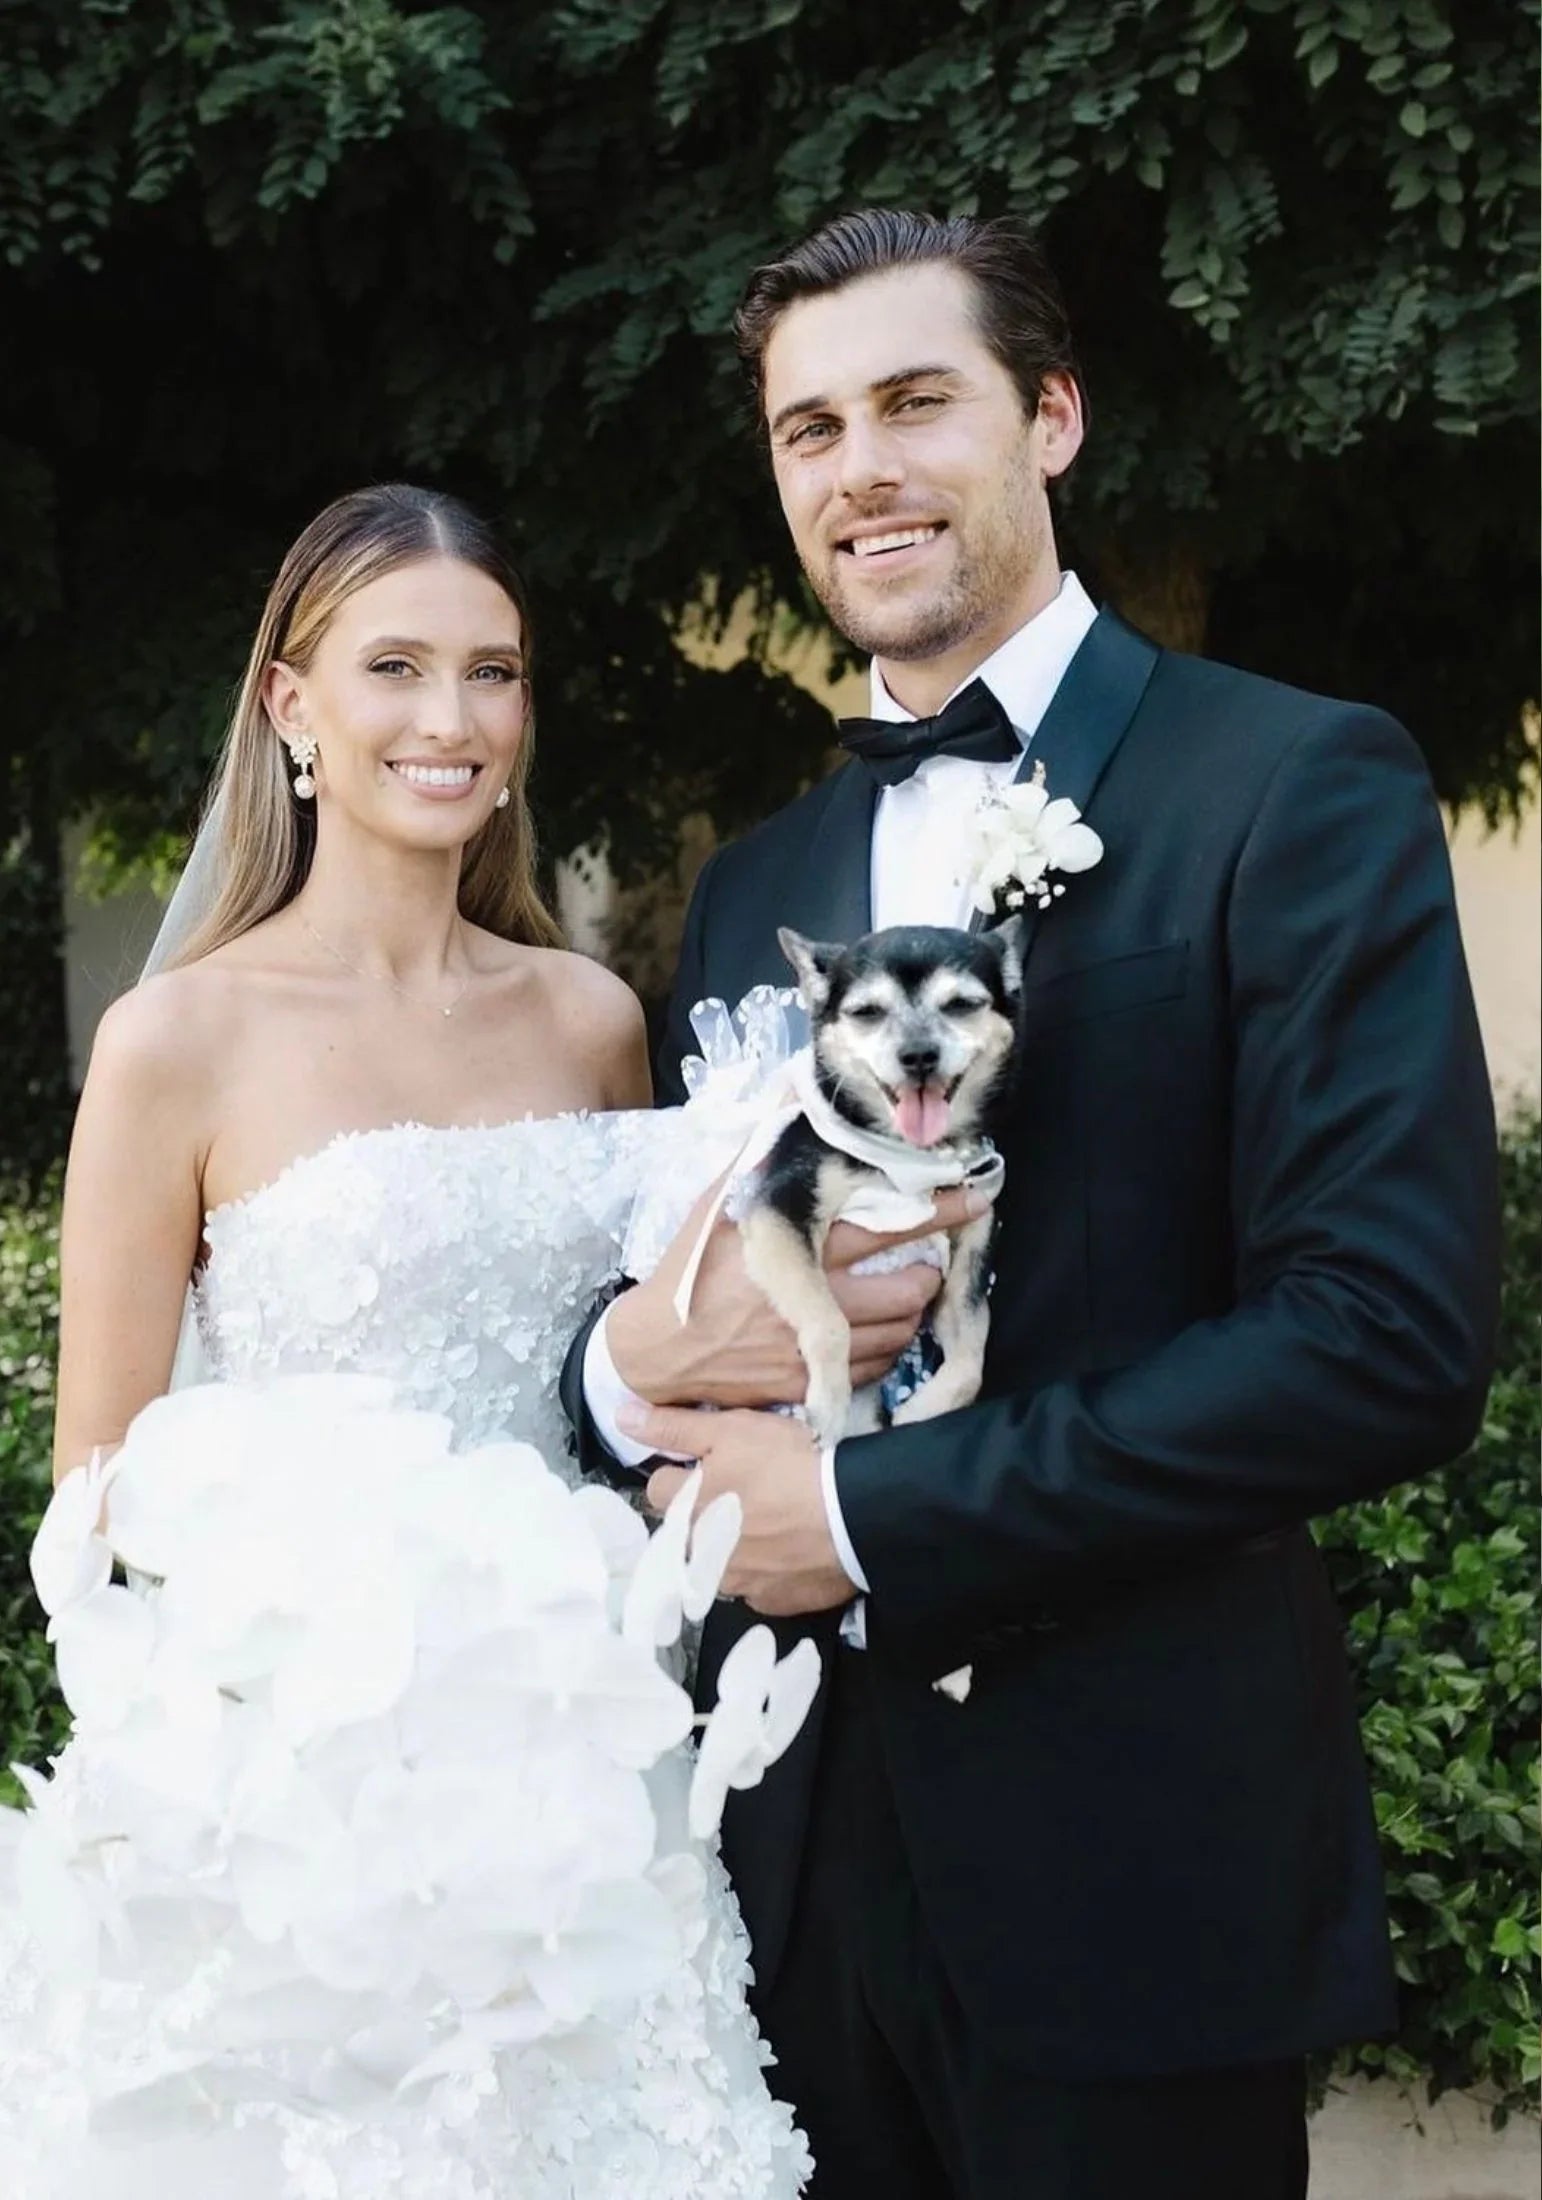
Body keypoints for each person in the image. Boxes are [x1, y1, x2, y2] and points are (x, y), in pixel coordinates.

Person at [565, 210, 1501, 2200]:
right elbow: (674, 1308)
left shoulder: (1294, 783)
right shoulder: (750, 892)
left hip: (1135, 1862)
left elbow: (1385, 1339)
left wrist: (879, 1518)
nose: (860, 470)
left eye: (917, 403)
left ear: (1051, 417)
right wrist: (617, 1371)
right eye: (810, 429)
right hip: (783, 1875)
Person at [7, 483, 815, 2198]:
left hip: (596, 1775)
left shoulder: (592, 1022)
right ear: (292, 705)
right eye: (395, 667)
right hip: (301, 1816)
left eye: (492, 673)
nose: (450, 722)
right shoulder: (178, 1043)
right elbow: (94, 1508)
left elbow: (645, 1373)